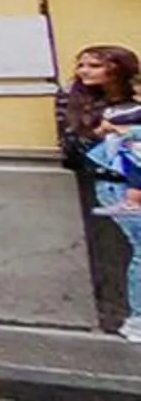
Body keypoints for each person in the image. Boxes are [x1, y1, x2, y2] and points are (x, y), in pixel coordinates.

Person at [60, 44, 141, 337]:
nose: (84, 72)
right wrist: (96, 135)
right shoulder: (79, 106)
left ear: (118, 68)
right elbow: (70, 155)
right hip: (116, 185)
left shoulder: (134, 105)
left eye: (94, 65)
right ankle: (136, 321)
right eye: (81, 65)